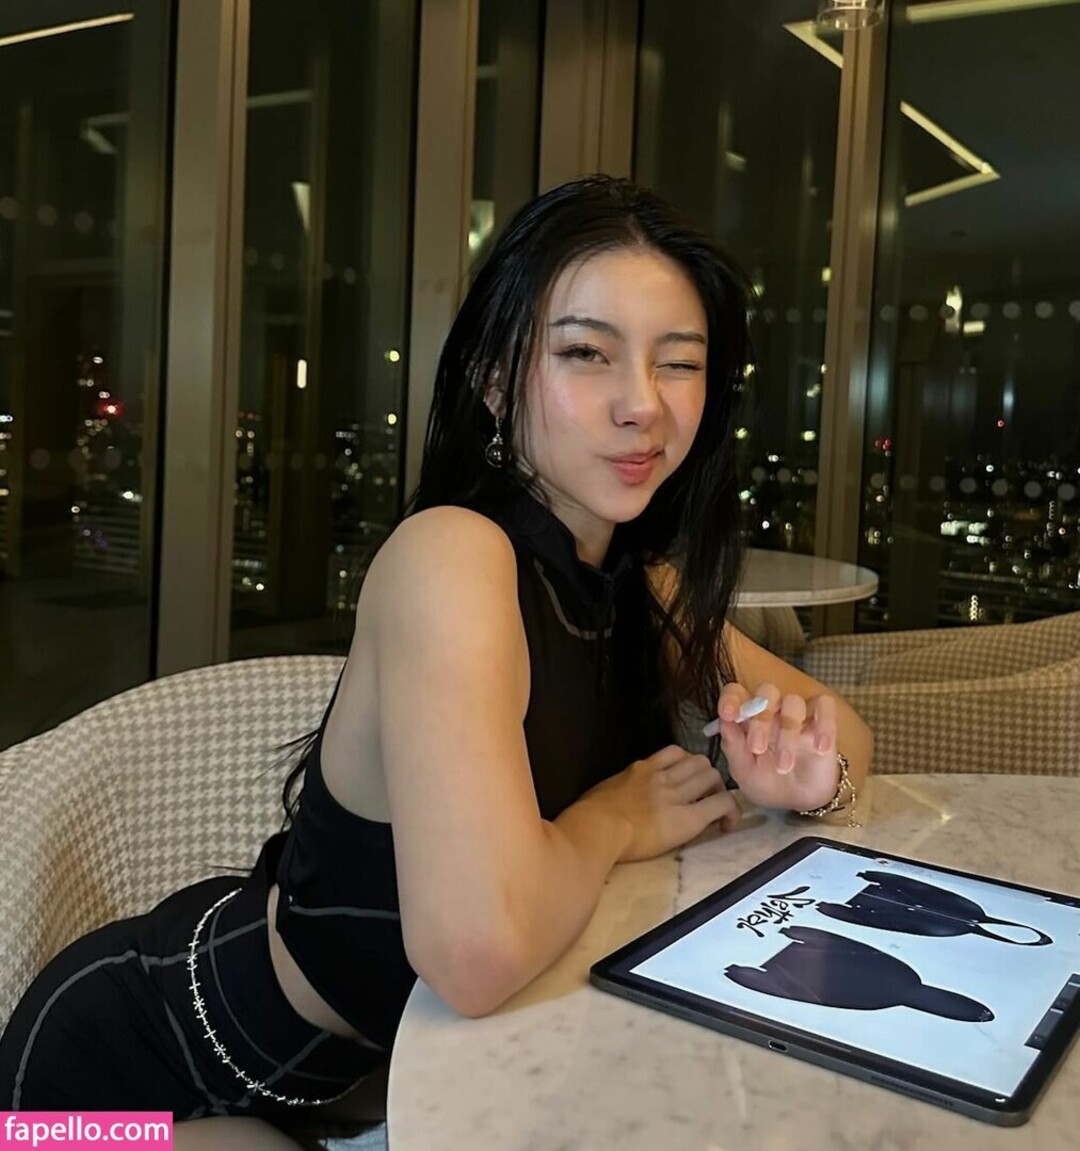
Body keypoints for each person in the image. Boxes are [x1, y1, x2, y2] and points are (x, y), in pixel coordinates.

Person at [0, 175, 873, 1148]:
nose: (643, 404)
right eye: (586, 352)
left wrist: (806, 771)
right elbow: (475, 950)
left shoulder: (641, 585)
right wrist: (615, 818)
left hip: (386, 1096)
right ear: (494, 379)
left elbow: (846, 732)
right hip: (137, 1085)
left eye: (679, 363)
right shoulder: (452, 557)